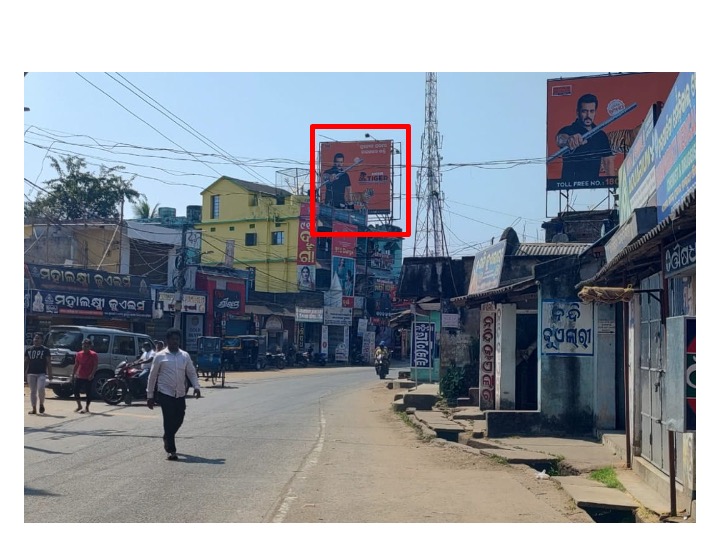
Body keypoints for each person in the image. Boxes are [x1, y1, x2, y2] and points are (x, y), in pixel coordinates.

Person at [146, 328, 201, 461]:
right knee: (168, 419)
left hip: (180, 393)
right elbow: (152, 376)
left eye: (177, 339)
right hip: (165, 393)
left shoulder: (185, 356)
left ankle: (167, 436)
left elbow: (191, 372)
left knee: (180, 417)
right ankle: (171, 450)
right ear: (168, 340)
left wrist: (196, 386)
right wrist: (150, 395)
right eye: (172, 339)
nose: (175, 342)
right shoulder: (160, 356)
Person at [555, 93, 616, 184]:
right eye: (584, 111)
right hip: (569, 186)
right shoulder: (569, 130)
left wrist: (613, 185)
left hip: (594, 185)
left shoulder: (601, 135)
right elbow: (560, 139)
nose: (588, 115)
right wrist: (568, 140)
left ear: (595, 112)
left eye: (592, 111)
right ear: (577, 112)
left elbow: (608, 162)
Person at [24, 332, 53, 415]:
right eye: (35, 338)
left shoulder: (45, 350)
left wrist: (50, 373)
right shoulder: (29, 350)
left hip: (41, 373)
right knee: (33, 391)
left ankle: (41, 404)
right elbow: (26, 362)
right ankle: (34, 408)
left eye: (38, 338)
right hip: (31, 373)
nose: (36, 340)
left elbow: (48, 362)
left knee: (41, 389)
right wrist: (23, 373)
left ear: (41, 340)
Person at [72, 338, 98, 414]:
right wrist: (73, 374)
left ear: (90, 347)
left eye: (86, 346)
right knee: (75, 390)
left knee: (88, 392)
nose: (84, 348)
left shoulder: (93, 354)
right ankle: (79, 405)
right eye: (83, 346)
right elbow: (76, 364)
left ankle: (87, 407)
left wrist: (92, 374)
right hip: (80, 375)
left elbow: (95, 365)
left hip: (88, 376)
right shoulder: (79, 354)